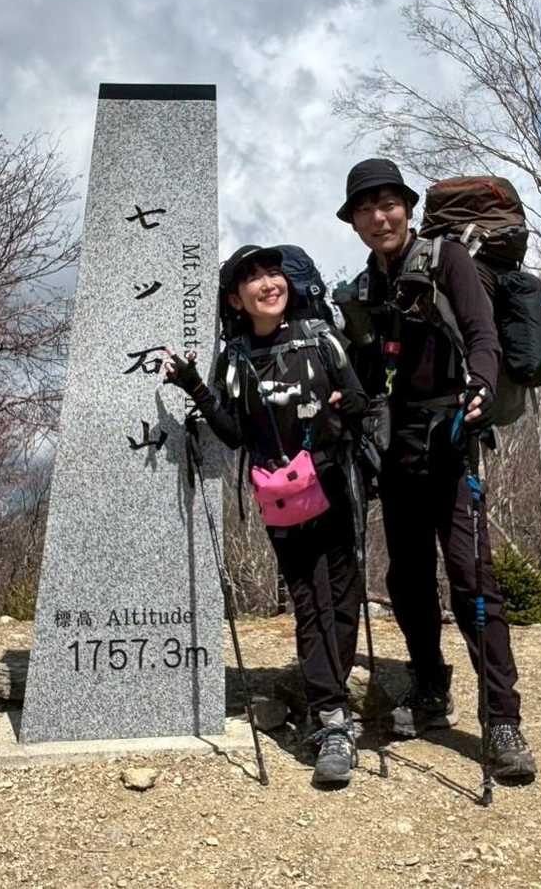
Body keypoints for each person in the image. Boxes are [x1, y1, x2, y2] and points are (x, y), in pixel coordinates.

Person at [336, 157, 537, 785]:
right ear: (354, 222)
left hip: (451, 432)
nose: (379, 217)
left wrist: (481, 386)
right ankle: (429, 685)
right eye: (366, 209)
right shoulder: (363, 288)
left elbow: (482, 335)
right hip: (396, 446)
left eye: (388, 204)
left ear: (407, 209)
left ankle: (502, 720)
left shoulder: (447, 259)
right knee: (408, 580)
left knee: (472, 579)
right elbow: (366, 372)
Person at [163, 244, 369, 788]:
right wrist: (194, 386)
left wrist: (349, 410)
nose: (267, 283)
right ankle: (331, 718)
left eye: (273, 272)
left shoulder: (321, 338)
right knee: (310, 602)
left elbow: (357, 399)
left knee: (342, 599)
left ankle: (333, 707)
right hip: (283, 497)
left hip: (334, 484)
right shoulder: (235, 358)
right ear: (236, 299)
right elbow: (234, 433)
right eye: (251, 278)